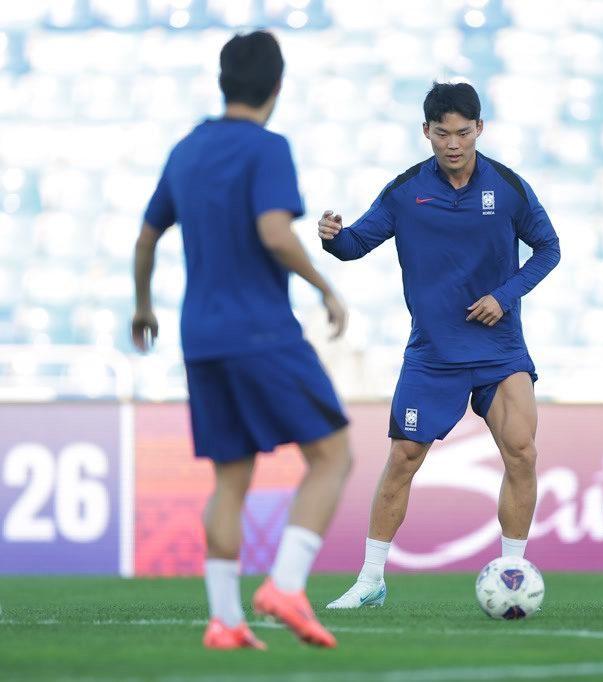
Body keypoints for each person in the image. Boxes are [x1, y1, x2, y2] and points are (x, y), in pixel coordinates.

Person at [132, 31, 350, 649]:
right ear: (277, 88)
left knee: (231, 479)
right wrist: (324, 288)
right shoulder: (267, 148)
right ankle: (284, 584)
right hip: (261, 332)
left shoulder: (186, 150)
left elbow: (147, 238)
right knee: (332, 455)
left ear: (223, 81)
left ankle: (225, 621)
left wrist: (143, 305)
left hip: (199, 338)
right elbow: (275, 232)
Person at [318, 81, 560, 609]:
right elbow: (357, 244)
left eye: (464, 133)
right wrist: (334, 237)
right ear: (426, 132)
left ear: (480, 130)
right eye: (443, 134)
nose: (454, 144)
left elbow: (548, 248)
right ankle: (370, 580)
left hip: (499, 351)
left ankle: (513, 572)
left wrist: (505, 294)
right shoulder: (406, 191)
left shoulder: (508, 186)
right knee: (403, 458)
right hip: (434, 354)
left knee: (522, 453)